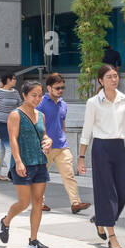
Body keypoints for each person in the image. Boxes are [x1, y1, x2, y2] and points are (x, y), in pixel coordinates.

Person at [78, 65, 125, 248]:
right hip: (100, 148)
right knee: (107, 191)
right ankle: (112, 236)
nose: (114, 80)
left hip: (118, 148)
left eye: (115, 76)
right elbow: (87, 130)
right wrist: (81, 156)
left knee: (124, 188)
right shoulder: (93, 102)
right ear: (101, 80)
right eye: (109, 77)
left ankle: (101, 219)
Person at [0, 80, 54, 248]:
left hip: (40, 161)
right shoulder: (15, 114)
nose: (37, 99)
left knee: (38, 201)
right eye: (33, 95)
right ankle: (5, 221)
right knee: (23, 203)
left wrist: (48, 140)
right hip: (22, 163)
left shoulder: (41, 115)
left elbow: (43, 135)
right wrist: (18, 161)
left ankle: (33, 239)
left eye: (40, 95)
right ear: (24, 95)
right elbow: (12, 138)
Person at [38, 73, 89, 215]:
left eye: (62, 88)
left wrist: (63, 135)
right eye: (57, 88)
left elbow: (62, 122)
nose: (60, 90)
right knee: (41, 177)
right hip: (45, 146)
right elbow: (36, 124)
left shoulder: (63, 104)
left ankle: (75, 203)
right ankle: (39, 203)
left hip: (62, 145)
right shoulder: (40, 103)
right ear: (49, 88)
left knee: (69, 175)